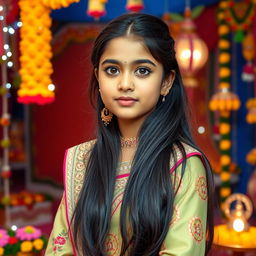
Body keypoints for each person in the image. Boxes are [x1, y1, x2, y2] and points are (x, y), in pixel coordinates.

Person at [45, 13, 214, 256]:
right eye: (112, 70)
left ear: (166, 81)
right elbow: (59, 248)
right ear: (98, 78)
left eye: (142, 71)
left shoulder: (182, 164)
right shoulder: (81, 159)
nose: (125, 83)